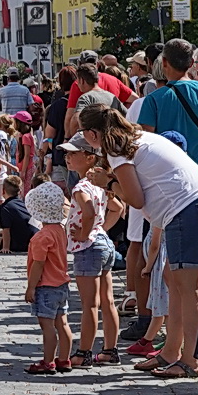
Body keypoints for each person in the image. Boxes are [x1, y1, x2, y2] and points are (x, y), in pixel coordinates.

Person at [80, 103, 198, 378]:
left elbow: (136, 200)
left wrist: (106, 183)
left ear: (92, 134)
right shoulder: (134, 139)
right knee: (173, 279)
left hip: (190, 210)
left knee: (188, 287)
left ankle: (191, 360)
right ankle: (172, 352)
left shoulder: (118, 150)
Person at [63, 135, 122, 367]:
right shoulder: (99, 184)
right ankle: (110, 350)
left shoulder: (80, 186)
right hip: (103, 244)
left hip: (88, 248)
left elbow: (87, 211)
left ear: (89, 157)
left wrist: (87, 233)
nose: (67, 158)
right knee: (107, 301)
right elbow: (117, 208)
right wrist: (101, 230)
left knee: (89, 304)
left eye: (73, 154)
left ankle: (84, 352)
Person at [141, 38, 198, 174]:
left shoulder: (153, 100)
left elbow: (146, 141)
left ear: (164, 62)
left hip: (170, 172)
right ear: (191, 63)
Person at [21, 182, 73, 374]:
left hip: (46, 285)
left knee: (47, 326)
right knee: (63, 323)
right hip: (62, 284)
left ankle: (48, 361)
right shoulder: (60, 230)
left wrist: (31, 287)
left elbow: (39, 264)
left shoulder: (41, 237)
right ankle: (64, 359)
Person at [0, 176, 34, 253]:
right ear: (20, 191)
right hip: (32, 240)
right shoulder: (23, 203)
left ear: (3, 191)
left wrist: (5, 247)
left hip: (21, 243)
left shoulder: (5, 207)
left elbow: (6, 229)